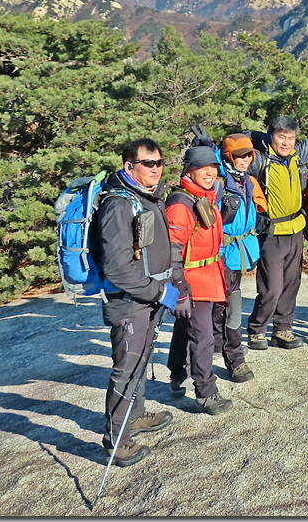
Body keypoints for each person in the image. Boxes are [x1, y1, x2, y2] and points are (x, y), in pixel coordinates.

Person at [90, 138, 180, 467]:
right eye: (148, 163)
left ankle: (135, 416)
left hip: (146, 297)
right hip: (129, 302)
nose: (156, 169)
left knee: (141, 361)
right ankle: (117, 442)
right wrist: (158, 292)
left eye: (159, 163)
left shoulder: (145, 196)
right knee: (126, 369)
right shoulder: (119, 205)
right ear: (129, 166)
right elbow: (117, 268)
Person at [246, 112, 308, 350]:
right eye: (281, 137)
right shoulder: (260, 160)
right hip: (272, 232)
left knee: (291, 284)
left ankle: (283, 330)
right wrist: (209, 148)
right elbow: (234, 160)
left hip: (296, 231)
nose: (286, 142)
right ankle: (257, 330)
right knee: (271, 287)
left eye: (290, 138)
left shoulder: (297, 156)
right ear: (271, 136)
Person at [164, 146, 235, 414]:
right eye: (203, 168)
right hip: (192, 282)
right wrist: (180, 290)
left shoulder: (205, 197)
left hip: (208, 276)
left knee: (186, 328)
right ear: (189, 171)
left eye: (213, 168)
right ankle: (206, 393)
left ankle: (176, 374)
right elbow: (172, 252)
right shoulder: (181, 205)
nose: (209, 173)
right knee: (203, 337)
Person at [214, 132, 268, 382]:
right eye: (239, 155)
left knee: (226, 306)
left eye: (249, 154)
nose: (245, 159)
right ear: (228, 156)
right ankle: (234, 359)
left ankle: (222, 347)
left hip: (235, 253)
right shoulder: (218, 182)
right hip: (219, 254)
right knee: (224, 307)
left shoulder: (246, 180)